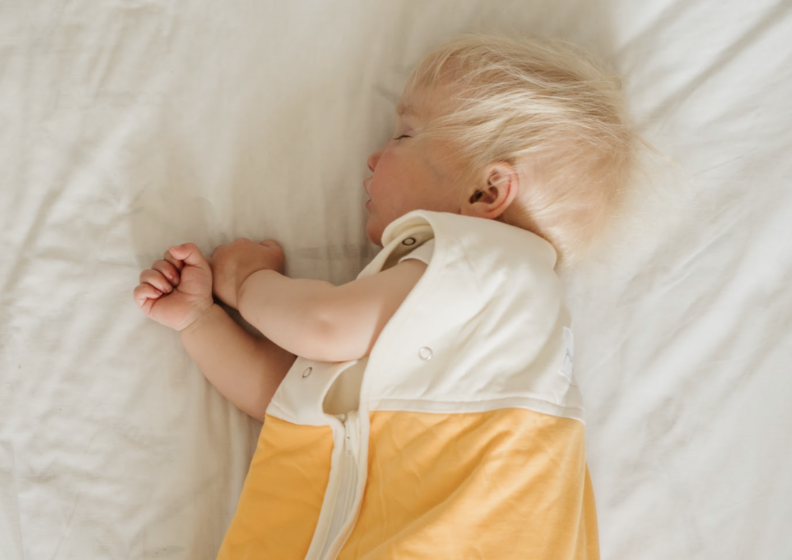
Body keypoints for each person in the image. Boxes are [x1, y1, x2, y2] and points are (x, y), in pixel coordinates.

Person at [133, 34, 639, 560]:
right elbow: (293, 398)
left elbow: (323, 326)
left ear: (486, 193)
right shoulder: (480, 314)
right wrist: (201, 323)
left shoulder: (495, 261)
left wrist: (248, 281)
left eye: (404, 134)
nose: (374, 158)